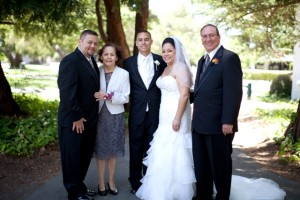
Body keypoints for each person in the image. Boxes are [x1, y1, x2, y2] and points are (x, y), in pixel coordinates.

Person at [191, 24, 286, 200]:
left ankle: (222, 197)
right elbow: (200, 91)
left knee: (220, 166)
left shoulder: (229, 58)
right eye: (204, 36)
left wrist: (228, 121)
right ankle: (203, 196)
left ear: (219, 37)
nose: (208, 39)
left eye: (211, 35)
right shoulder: (201, 60)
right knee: (201, 165)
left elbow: (233, 92)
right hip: (199, 124)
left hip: (219, 125)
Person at [135, 36, 196, 200]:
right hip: (164, 116)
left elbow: (184, 96)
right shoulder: (165, 68)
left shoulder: (181, 68)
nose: (166, 54)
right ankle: (160, 190)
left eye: (170, 50)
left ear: (177, 51)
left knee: (176, 152)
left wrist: (177, 117)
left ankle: (176, 192)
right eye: (164, 51)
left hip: (177, 116)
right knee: (163, 152)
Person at [57, 29, 99, 200]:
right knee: (72, 159)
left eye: (95, 43)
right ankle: (74, 193)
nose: (92, 46)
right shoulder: (70, 61)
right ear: (80, 41)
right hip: (74, 121)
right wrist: (76, 117)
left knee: (83, 157)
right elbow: (67, 93)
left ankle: (79, 186)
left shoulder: (91, 60)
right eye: (89, 42)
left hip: (89, 120)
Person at [123, 30, 167, 194]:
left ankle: (149, 180)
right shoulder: (128, 63)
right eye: (140, 40)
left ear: (151, 41)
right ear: (136, 43)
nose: (143, 42)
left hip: (156, 112)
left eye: (146, 40)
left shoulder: (160, 61)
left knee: (152, 148)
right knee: (135, 148)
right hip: (137, 112)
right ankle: (135, 182)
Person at [94, 43, 130, 196]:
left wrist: (108, 96)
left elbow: (125, 97)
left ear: (116, 57)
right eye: (106, 54)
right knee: (101, 150)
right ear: (101, 56)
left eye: (112, 54)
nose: (109, 57)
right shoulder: (96, 71)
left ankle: (112, 181)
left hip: (115, 116)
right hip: (99, 116)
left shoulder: (123, 74)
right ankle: (101, 182)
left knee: (113, 150)